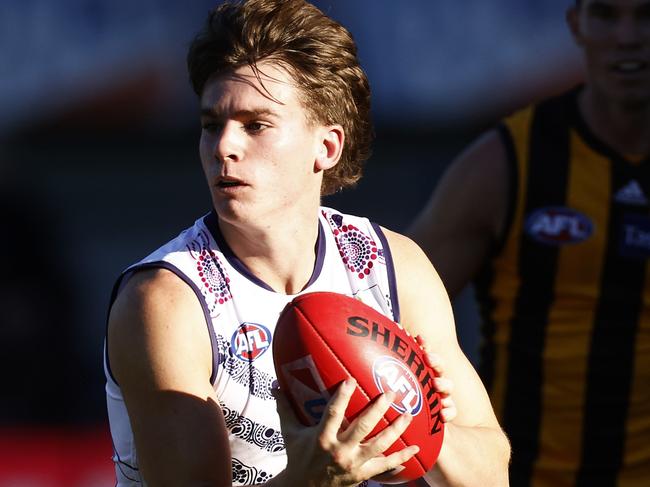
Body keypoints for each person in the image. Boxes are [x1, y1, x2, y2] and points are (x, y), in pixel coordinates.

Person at [103, 1, 510, 486]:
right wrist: (308, 481)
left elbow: (493, 474)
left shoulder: (393, 266)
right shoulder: (164, 301)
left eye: (256, 125)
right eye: (213, 124)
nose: (223, 146)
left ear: (327, 147)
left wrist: (422, 428)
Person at [409, 0, 650, 485]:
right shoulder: (506, 163)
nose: (627, 35)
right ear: (575, 24)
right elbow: (392, 315)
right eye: (606, 14)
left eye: (646, 15)